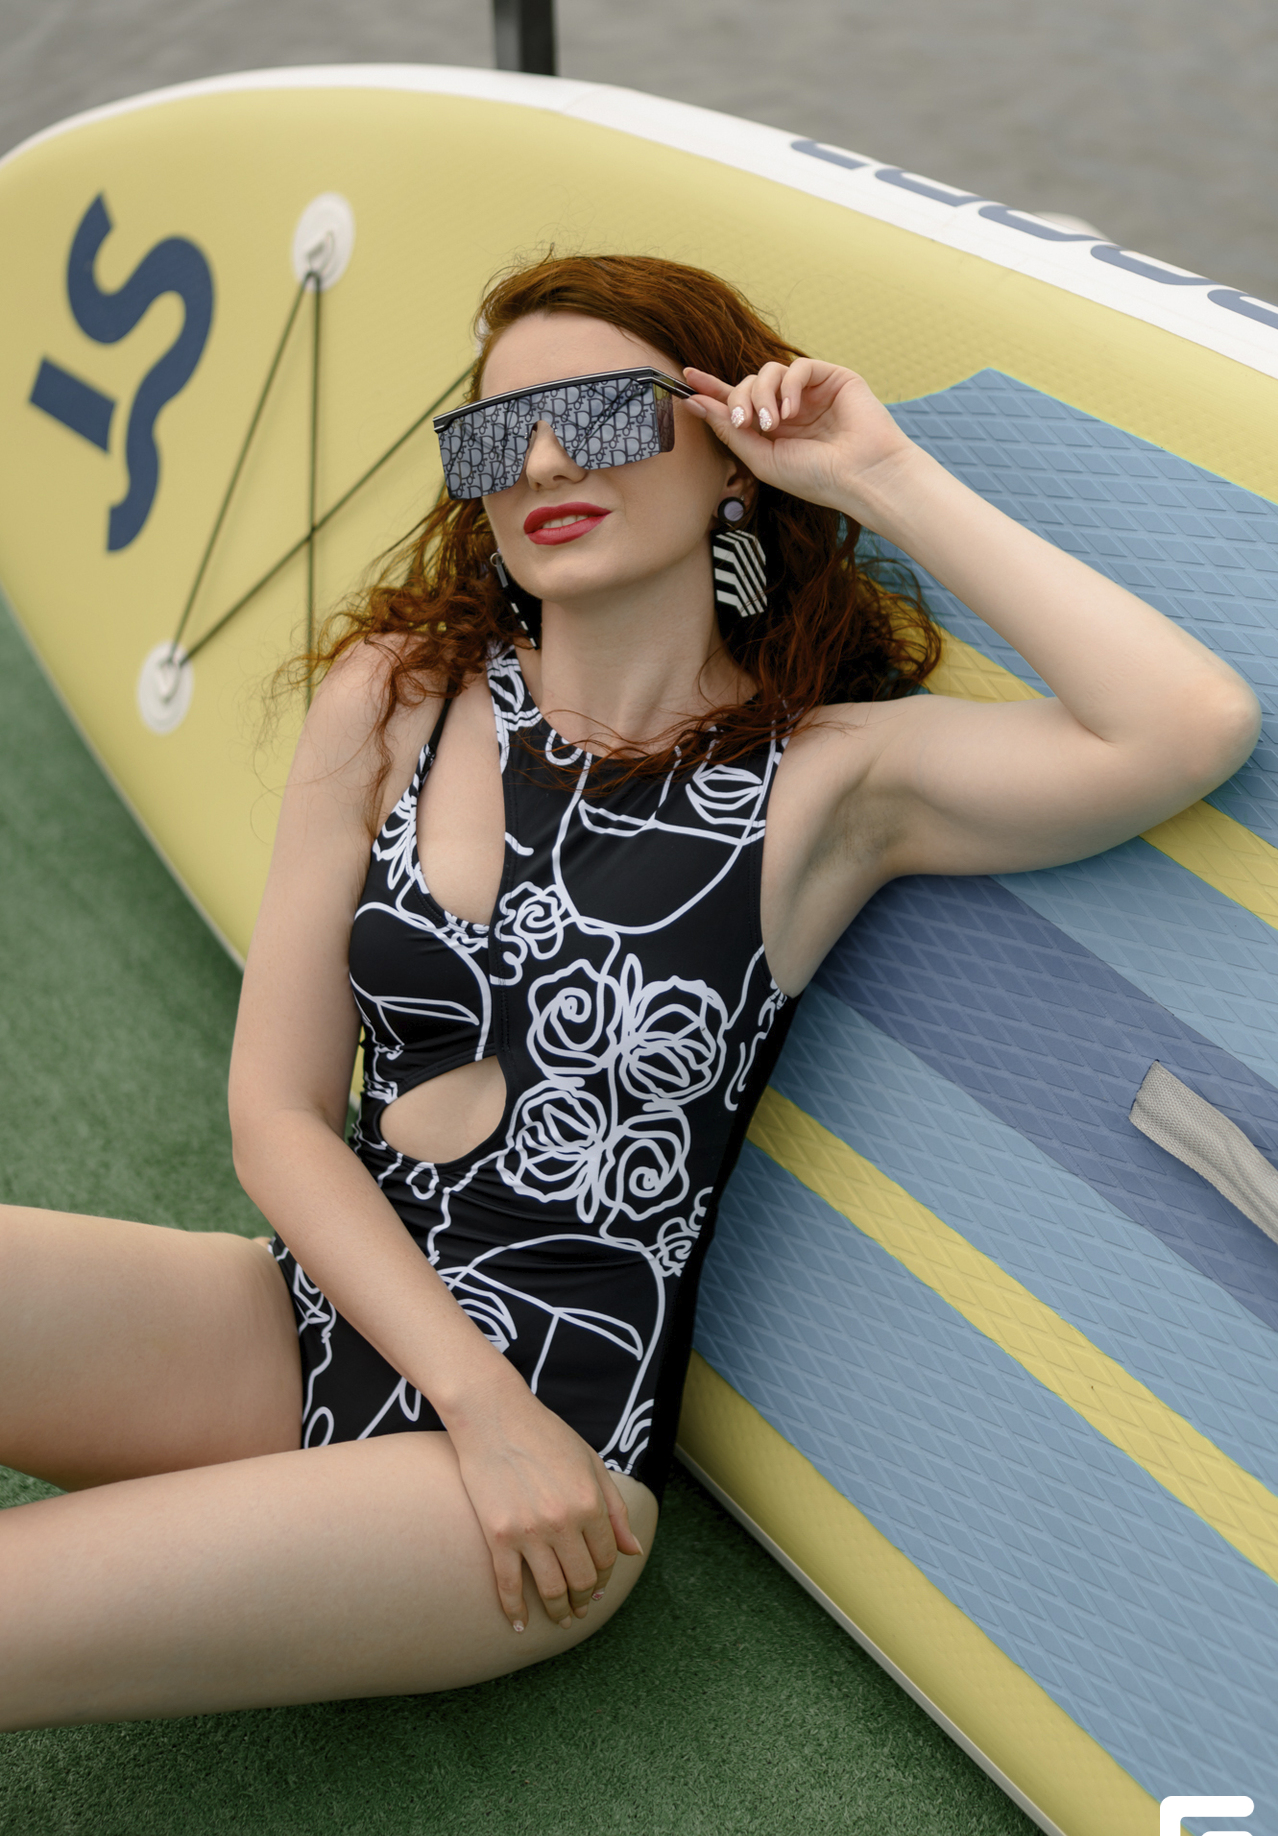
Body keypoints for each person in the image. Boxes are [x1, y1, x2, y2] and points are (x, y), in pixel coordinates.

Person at [0, 254, 1258, 1731]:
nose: (540, 462)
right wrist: (467, 1397)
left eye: (601, 413)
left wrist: (875, 473)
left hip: (556, 1445)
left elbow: (1186, 724)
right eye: (496, 436)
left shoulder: (827, 782)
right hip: (320, 1324)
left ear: (726, 452)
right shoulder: (400, 694)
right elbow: (276, 1115)